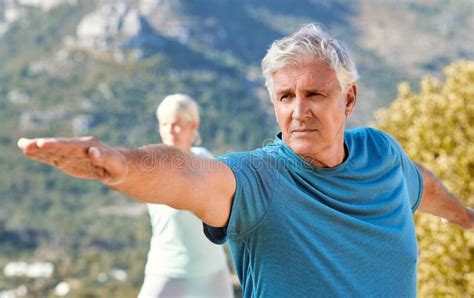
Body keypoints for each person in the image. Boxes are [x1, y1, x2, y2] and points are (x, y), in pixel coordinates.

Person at [18, 23, 473, 297]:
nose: (299, 110)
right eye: (285, 96)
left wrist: (465, 218)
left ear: (348, 97)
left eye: (315, 93)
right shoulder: (259, 179)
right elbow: (186, 175)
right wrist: (120, 163)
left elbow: (420, 184)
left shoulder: (382, 153)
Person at [138, 94, 234, 297]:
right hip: (168, 272)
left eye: (177, 124)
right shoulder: (151, 166)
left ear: (193, 125)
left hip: (213, 273)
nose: (170, 131)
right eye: (164, 124)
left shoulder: (206, 159)